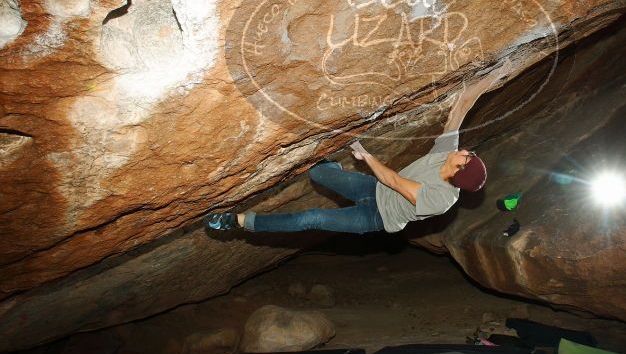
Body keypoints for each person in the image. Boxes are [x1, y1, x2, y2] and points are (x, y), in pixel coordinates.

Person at [205, 62, 511, 235]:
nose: (465, 150)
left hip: (375, 218)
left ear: (459, 170)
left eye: (467, 156)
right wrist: (493, 78)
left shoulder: (441, 199)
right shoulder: (446, 155)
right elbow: (459, 110)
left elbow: (393, 181)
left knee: (312, 218)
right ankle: (330, 170)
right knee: (318, 176)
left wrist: (365, 155)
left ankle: (240, 221)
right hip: (371, 187)